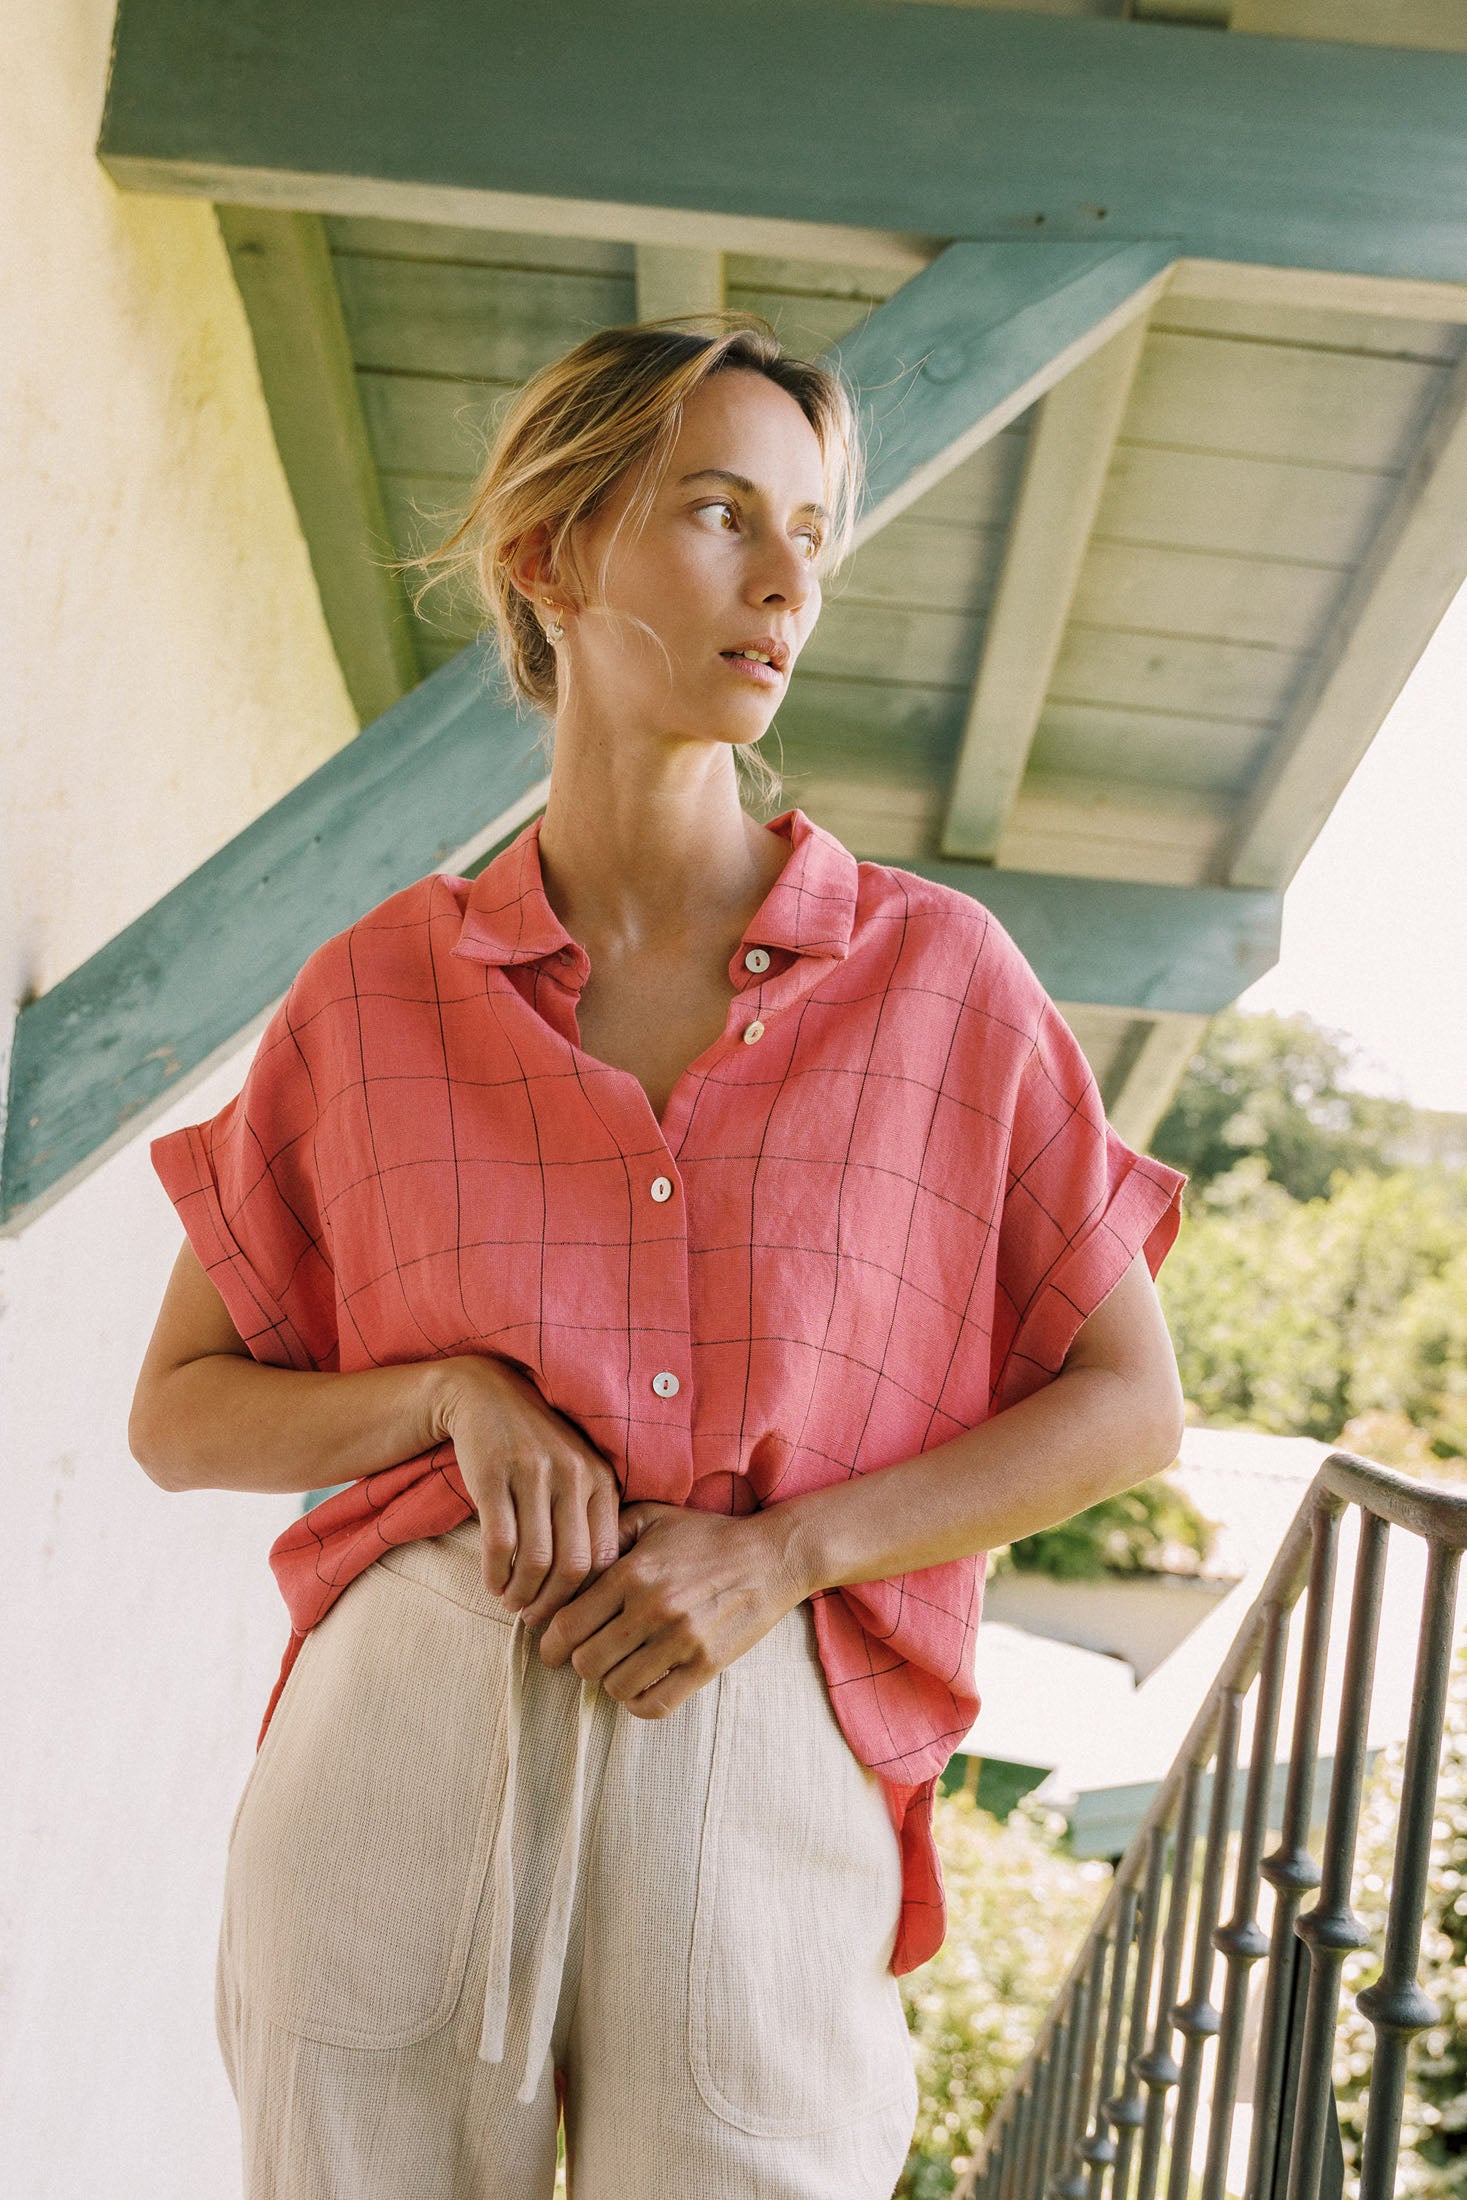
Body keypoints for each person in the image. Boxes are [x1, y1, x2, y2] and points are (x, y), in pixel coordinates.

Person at [129, 316, 1187, 2200]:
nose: (785, 583)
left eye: (808, 538)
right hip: (402, 1746)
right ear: (553, 552)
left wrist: (788, 1550)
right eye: (718, 517)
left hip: (759, 1736)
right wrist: (449, 1399)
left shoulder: (941, 982)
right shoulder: (374, 990)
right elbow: (182, 1418)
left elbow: (1128, 1412)